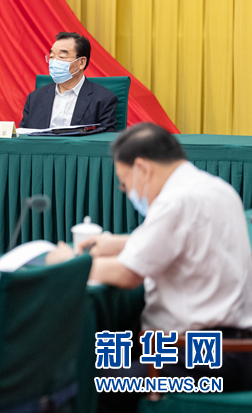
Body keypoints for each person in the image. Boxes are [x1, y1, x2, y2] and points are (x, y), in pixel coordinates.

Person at [46, 123, 252, 410]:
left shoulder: (176, 201)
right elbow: (182, 242)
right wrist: (118, 242)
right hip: (226, 350)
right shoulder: (215, 188)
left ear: (142, 168)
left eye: (124, 182)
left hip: (200, 357)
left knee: (85, 384)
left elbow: (127, 274)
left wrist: (70, 263)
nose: (126, 190)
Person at [20, 31, 118, 131]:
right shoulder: (34, 98)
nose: (54, 62)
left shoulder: (103, 99)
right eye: (52, 57)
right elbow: (23, 135)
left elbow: (106, 138)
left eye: (62, 57)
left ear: (81, 62)